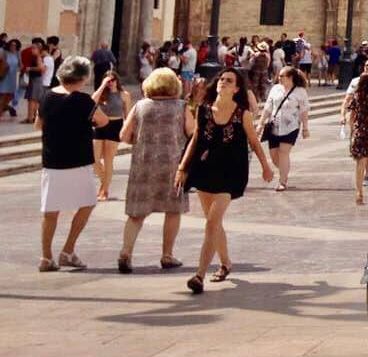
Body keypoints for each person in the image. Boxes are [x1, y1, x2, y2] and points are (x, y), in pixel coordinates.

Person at [177, 68, 274, 293]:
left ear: (237, 88)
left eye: (228, 80)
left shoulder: (243, 114)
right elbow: (195, 139)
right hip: (205, 168)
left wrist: (265, 166)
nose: (223, 82)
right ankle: (225, 262)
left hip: (231, 171)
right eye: (221, 79)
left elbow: (254, 141)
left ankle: (199, 275)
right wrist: (182, 167)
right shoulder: (204, 110)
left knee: (212, 222)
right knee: (214, 223)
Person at [37, 56, 110, 271]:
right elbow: (103, 121)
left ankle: (46, 257)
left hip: (52, 160)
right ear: (83, 77)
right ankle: (68, 250)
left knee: (50, 211)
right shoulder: (83, 101)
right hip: (78, 160)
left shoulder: (47, 97)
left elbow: (37, 124)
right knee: (87, 203)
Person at [118, 68, 193, 273]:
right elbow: (193, 133)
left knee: (137, 213)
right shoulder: (181, 106)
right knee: (173, 210)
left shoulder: (140, 106)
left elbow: (124, 135)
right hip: (173, 165)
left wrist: (142, 140)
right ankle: (167, 255)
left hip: (143, 165)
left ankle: (126, 252)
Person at [259, 67, 311, 191]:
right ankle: (284, 169)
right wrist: (261, 123)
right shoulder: (275, 89)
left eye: (282, 76)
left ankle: (282, 181)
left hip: (291, 127)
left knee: (283, 152)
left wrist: (305, 128)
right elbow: (268, 106)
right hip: (274, 126)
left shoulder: (300, 91)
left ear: (290, 77)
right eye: (279, 76)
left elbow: (304, 110)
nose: (279, 78)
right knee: (274, 156)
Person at [341, 70, 368, 204]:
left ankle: (359, 192)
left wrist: (352, 130)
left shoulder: (357, 96)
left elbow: (352, 115)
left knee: (360, 162)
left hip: (360, 132)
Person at [93, 71, 132, 201]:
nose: (110, 83)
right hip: (100, 125)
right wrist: (102, 86)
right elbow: (92, 100)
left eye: (112, 80)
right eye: (108, 80)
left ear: (117, 81)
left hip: (115, 126)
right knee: (94, 159)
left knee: (108, 159)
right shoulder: (101, 93)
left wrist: (128, 131)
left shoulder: (124, 95)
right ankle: (105, 182)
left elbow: (128, 115)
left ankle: (104, 190)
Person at [21, 37, 47, 123]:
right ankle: (32, 117)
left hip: (36, 79)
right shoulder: (38, 56)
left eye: (33, 48)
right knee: (33, 99)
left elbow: (41, 68)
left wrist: (29, 68)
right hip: (35, 79)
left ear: (38, 49)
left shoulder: (38, 57)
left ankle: (30, 117)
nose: (31, 50)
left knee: (32, 99)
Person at [0, 36, 19, 122]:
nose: (13, 47)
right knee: (2, 96)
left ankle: (6, 109)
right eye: (12, 45)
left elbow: (21, 65)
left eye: (15, 45)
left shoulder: (17, 54)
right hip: (4, 77)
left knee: (9, 96)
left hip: (12, 78)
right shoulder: (4, 52)